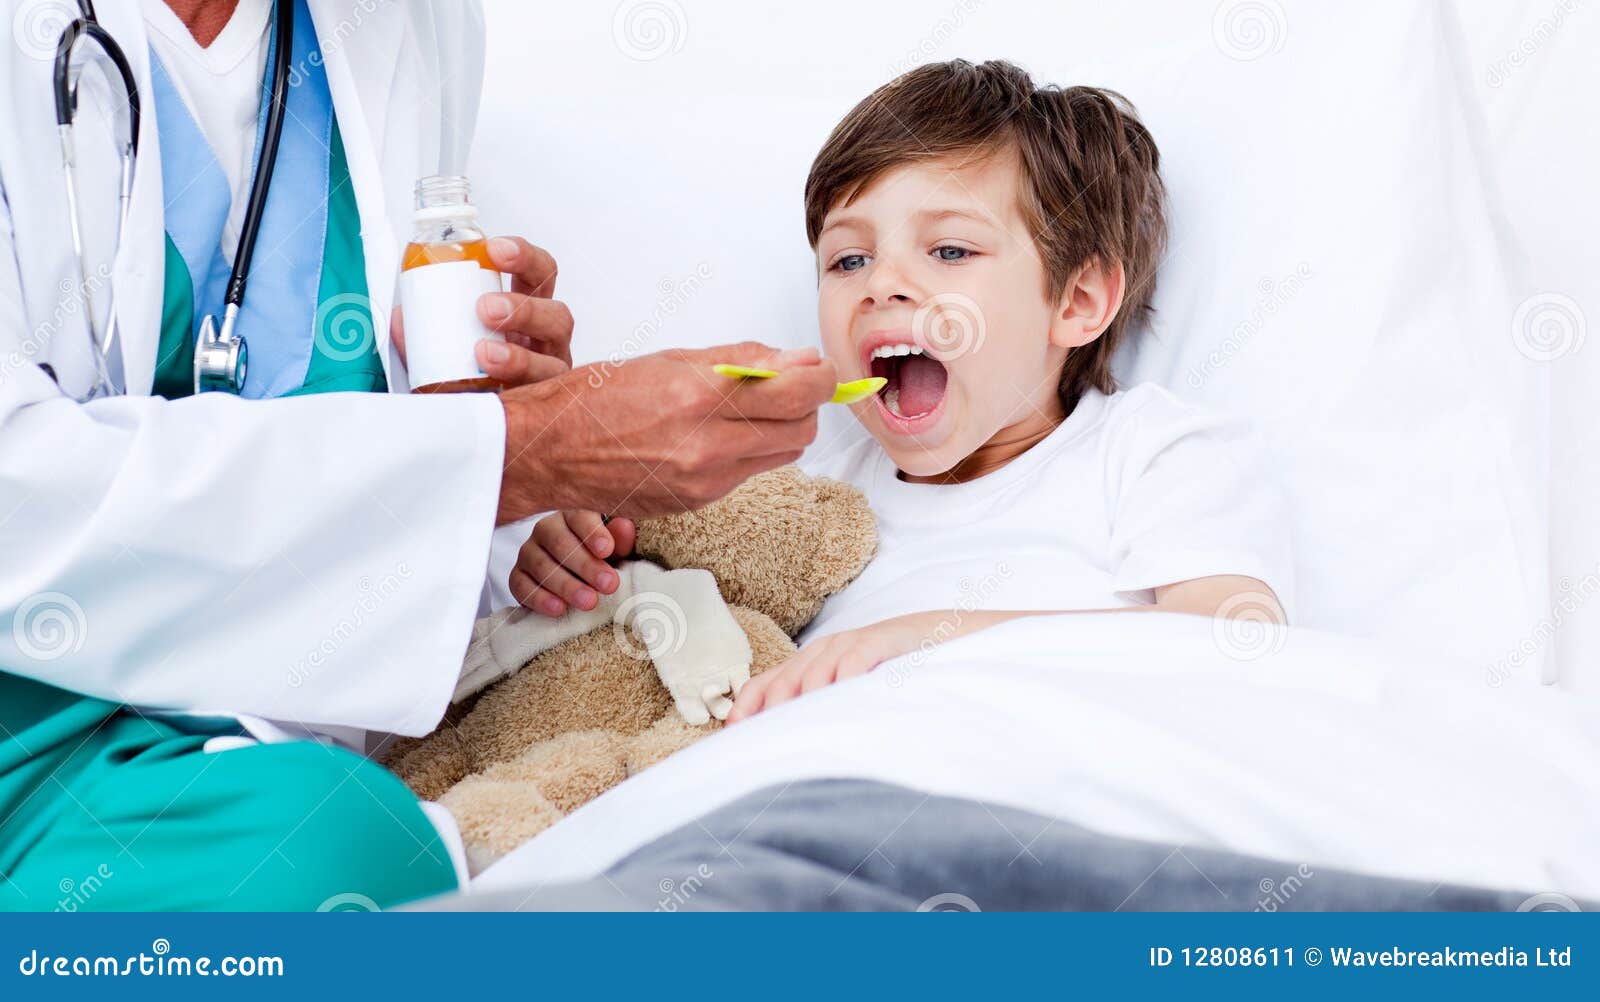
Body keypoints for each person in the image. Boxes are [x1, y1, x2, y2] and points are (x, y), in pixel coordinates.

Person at [0, 0, 833, 911]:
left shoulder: (415, 24)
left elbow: (379, 414)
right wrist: (527, 448)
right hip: (32, 717)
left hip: (251, 722)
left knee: (340, 851)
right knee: (329, 866)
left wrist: (501, 470)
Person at [519, 60, 1292, 724]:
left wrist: (921, 639)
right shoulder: (808, 499)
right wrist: (584, 556)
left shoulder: (1155, 452)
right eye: (848, 261)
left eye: (949, 249)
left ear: (1078, 301)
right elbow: (684, 628)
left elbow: (1232, 648)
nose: (882, 283)